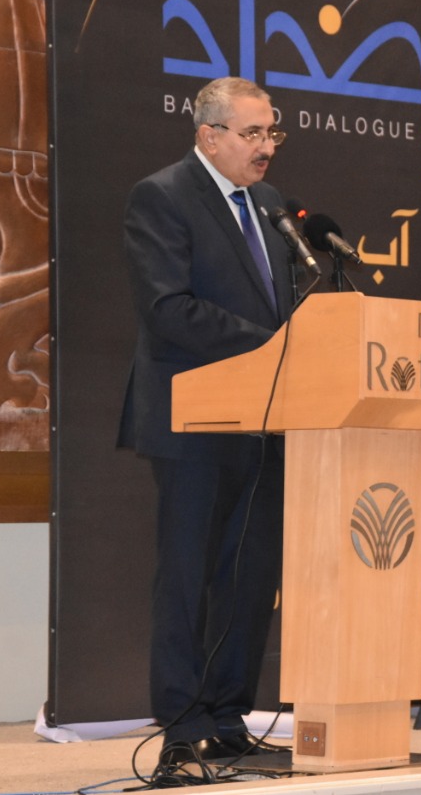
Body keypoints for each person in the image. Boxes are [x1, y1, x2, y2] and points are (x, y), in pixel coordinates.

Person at [117, 76, 299, 768]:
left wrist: (303, 349)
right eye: (252, 133)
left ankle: (227, 717)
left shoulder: (272, 206)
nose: (266, 146)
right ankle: (182, 724)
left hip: (265, 418)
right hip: (189, 418)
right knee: (188, 576)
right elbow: (169, 308)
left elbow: (285, 304)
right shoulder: (162, 196)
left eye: (271, 132)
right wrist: (272, 345)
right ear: (209, 136)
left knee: (248, 578)